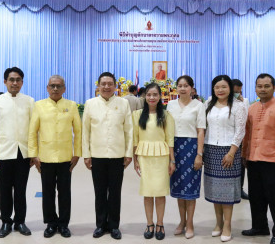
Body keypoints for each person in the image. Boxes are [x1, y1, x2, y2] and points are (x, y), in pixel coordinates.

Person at [28, 75, 82, 238]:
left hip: (66, 158)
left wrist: (77, 153)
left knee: (65, 192)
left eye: (59, 86)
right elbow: (32, 132)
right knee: (48, 192)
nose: (55, 89)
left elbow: (78, 132)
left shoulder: (71, 106)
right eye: (52, 86)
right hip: (45, 157)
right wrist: (34, 155)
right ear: (47, 88)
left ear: (64, 88)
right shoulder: (39, 106)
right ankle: (51, 223)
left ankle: (64, 224)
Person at [82, 72, 133, 240]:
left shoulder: (123, 103)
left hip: (117, 155)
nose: (106, 87)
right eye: (103, 84)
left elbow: (129, 130)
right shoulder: (90, 104)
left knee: (115, 192)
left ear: (115, 86)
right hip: (97, 155)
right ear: (98, 85)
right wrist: (86, 154)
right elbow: (86, 131)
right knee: (100, 192)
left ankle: (114, 226)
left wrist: (128, 153)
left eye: (109, 83)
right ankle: (100, 225)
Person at [0, 67, 35, 238]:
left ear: (22, 82)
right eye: (11, 80)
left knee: (21, 190)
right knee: (5, 190)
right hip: (4, 154)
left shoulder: (29, 101)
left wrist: (33, 152)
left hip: (23, 153)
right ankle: (6, 222)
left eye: (18, 80)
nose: (14, 83)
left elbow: (33, 130)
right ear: (5, 82)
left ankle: (20, 221)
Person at [241, 73, 275, 244]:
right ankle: (260, 226)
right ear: (255, 88)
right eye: (259, 86)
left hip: (273, 161)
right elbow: (247, 134)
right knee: (256, 196)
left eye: (266, 86)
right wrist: (244, 154)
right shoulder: (252, 108)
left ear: (274, 88)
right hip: (253, 159)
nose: (262, 89)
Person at [203, 75, 246, 242]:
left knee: (227, 191)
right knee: (215, 189)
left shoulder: (238, 106)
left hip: (230, 151)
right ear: (213, 89)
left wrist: (231, 152)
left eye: (223, 87)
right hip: (211, 149)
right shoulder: (208, 104)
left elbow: (240, 131)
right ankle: (218, 223)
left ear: (230, 88)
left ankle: (227, 225)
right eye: (217, 87)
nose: (220, 90)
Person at [133, 83, 175, 240]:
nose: (151, 97)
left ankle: (160, 224)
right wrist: (135, 159)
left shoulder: (166, 115)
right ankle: (149, 224)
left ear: (160, 97)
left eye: (155, 95)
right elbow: (135, 139)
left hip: (162, 156)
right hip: (144, 156)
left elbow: (170, 139)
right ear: (145, 96)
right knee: (148, 192)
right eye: (149, 95)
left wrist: (172, 161)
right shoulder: (137, 115)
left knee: (160, 192)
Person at [167, 75, 206, 239]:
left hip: (191, 149)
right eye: (180, 85)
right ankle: (181, 221)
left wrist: (199, 154)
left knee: (190, 189)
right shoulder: (170, 104)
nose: (182, 88)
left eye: (186, 85)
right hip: (174, 148)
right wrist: (170, 157)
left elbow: (201, 131)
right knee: (179, 189)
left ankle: (190, 223)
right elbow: (168, 131)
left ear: (192, 88)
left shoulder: (199, 105)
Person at [232, 79, 250, 200]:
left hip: (241, 138)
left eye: (239, 91)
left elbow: (246, 118)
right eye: (235, 91)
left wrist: (241, 102)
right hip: (227, 138)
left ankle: (240, 188)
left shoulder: (245, 101)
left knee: (241, 165)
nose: (237, 93)